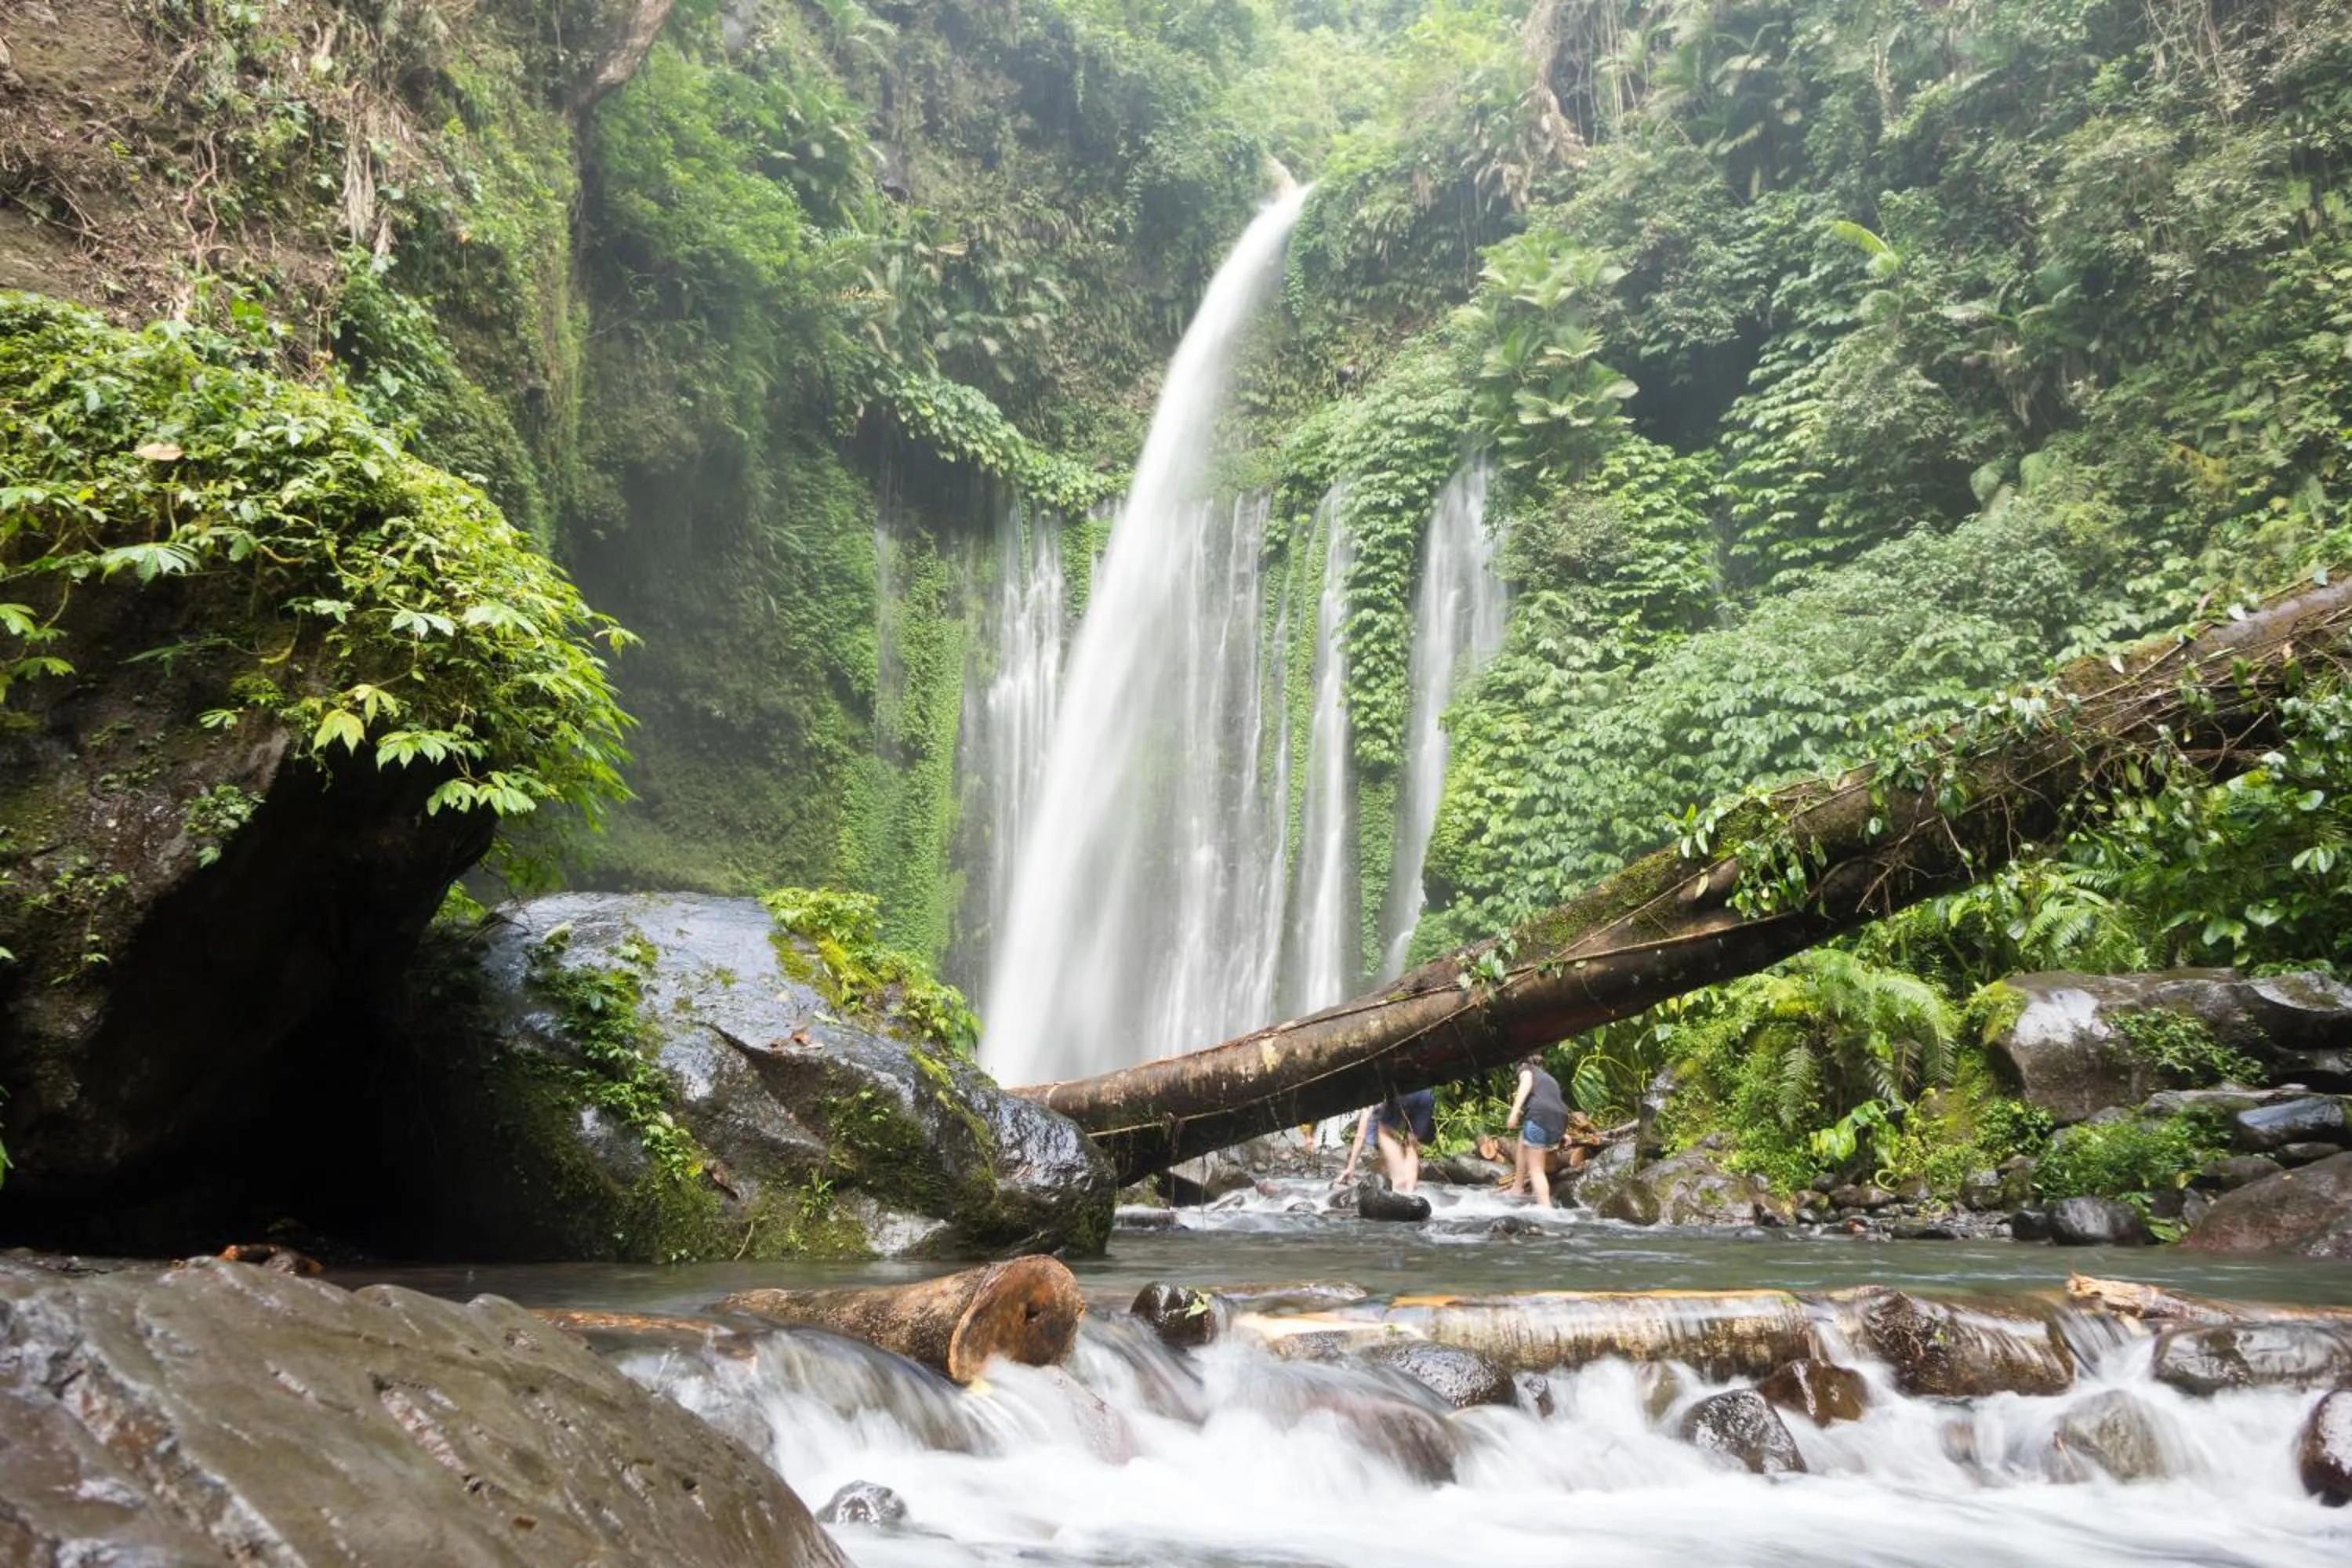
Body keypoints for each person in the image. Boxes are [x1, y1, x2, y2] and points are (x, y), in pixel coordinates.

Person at [1336, 1086, 1436, 1194]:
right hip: (1425, 1093)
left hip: (1402, 1092)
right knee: (1411, 1145)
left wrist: (1351, 1166)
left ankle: (1399, 1181)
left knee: (1384, 1134)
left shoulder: (1370, 1094)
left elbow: (1360, 1136)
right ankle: (1410, 1191)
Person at [1504, 1054, 1568, 1207]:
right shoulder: (1549, 1079)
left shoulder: (1526, 1069)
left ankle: (1546, 1209)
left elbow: (1526, 1082)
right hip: (1560, 1120)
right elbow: (1553, 1103)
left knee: (1536, 1170)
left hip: (1539, 1117)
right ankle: (1517, 1187)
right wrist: (1563, 1132)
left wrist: (1514, 1112)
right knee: (1523, 1136)